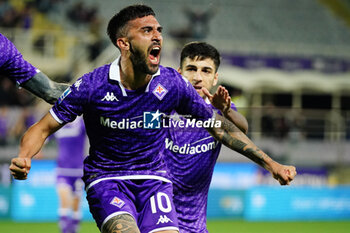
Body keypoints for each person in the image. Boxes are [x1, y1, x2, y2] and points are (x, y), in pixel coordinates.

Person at [9, 4, 296, 233]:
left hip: (154, 180)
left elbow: (221, 127)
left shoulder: (172, 84)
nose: (157, 35)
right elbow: (42, 127)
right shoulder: (93, 86)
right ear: (124, 42)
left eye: (158, 30)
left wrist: (271, 163)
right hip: (108, 179)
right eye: (146, 31)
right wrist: (24, 156)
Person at [163, 41, 248, 233]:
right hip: (156, 221)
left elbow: (242, 130)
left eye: (206, 71)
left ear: (215, 78)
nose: (198, 77)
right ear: (179, 73)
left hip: (195, 226)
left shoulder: (219, 111)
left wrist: (228, 111)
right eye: (191, 69)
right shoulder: (162, 105)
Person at [0, 32, 68, 104]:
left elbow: (51, 92)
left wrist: (78, 91)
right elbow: (51, 92)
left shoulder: (5, 50)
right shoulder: (5, 49)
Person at [54, 117, 86, 233]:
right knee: (64, 199)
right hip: (62, 169)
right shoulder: (57, 123)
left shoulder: (80, 123)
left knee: (76, 203)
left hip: (78, 171)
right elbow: (44, 134)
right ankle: (64, 229)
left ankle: (74, 229)